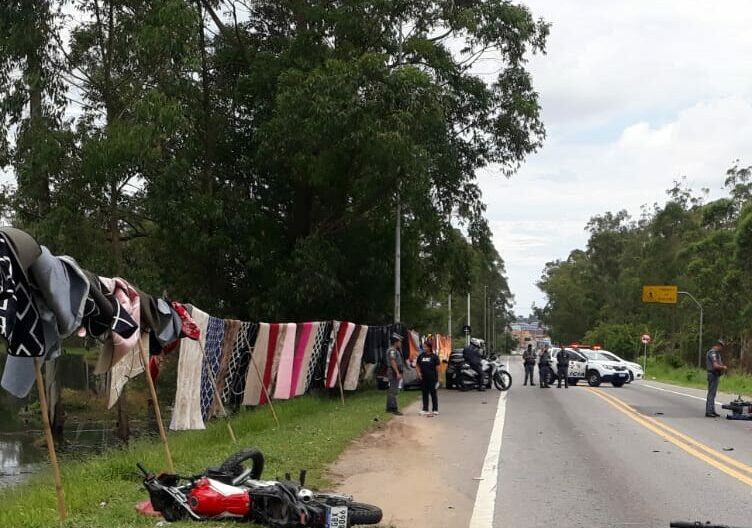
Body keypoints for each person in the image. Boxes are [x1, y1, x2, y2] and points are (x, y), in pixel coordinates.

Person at [417, 336, 440, 416]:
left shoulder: (434, 357)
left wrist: (438, 378)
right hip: (424, 378)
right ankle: (425, 409)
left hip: (432, 378)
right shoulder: (421, 356)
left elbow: (437, 368)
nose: (424, 348)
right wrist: (419, 373)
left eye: (425, 347)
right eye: (423, 347)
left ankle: (435, 409)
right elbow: (417, 365)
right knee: (424, 393)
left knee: (433, 393)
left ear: (429, 348)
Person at [705, 339, 727, 418]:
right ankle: (709, 411)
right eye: (721, 347)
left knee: (713, 394)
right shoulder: (712, 353)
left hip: (716, 375)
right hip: (712, 374)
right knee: (711, 393)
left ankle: (712, 410)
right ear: (718, 345)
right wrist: (723, 367)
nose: (722, 349)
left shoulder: (717, 353)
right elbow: (715, 366)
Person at [386, 332, 405, 416]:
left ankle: (390, 407)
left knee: (392, 390)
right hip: (393, 372)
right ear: (396, 342)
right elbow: (393, 361)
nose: (400, 343)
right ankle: (394, 408)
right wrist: (397, 372)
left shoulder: (394, 350)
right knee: (393, 390)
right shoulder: (392, 350)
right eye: (399, 342)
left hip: (394, 371)